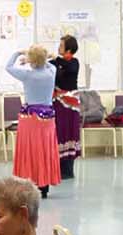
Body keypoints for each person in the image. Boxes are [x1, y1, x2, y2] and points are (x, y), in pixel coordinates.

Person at [5, 45, 61, 198]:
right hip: (47, 118)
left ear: (31, 60)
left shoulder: (27, 74)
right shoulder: (51, 72)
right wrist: (41, 57)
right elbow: (50, 62)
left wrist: (18, 52)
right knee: (44, 149)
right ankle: (44, 186)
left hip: (30, 118)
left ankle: (30, 183)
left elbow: (8, 66)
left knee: (30, 150)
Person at [50, 35, 81, 180]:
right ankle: (58, 168)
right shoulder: (56, 62)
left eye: (61, 46)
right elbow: (47, 65)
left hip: (70, 105)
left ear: (68, 49)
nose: (58, 48)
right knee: (59, 133)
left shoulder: (74, 62)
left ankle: (68, 169)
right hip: (58, 104)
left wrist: (57, 59)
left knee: (70, 133)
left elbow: (68, 68)